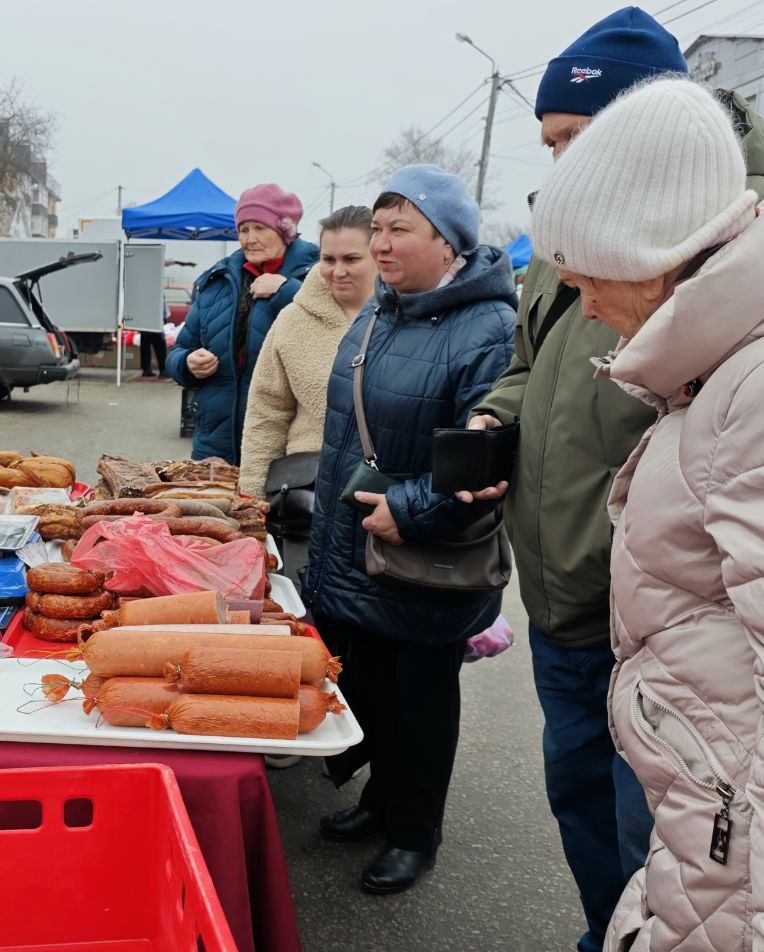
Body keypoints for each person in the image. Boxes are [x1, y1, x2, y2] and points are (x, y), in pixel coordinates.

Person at [462, 11, 764, 952]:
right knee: (589, 807)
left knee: (672, 841)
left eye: (576, 139)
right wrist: (495, 425)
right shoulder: (594, 250)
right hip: (571, 593)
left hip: (665, 629)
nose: (585, 305)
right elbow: (531, 367)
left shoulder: (741, 367)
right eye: (551, 143)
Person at [302, 165, 515, 894]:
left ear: (449, 242)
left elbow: (489, 459)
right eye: (378, 229)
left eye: (401, 229)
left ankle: (416, 832)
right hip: (357, 546)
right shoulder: (381, 311)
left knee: (422, 706)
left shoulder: (488, 329)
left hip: (422, 556)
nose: (381, 245)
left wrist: (411, 511)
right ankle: (380, 801)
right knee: (372, 691)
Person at [165, 183, 317, 464]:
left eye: (260, 228)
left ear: (284, 230)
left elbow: (331, 332)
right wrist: (187, 363)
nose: (250, 239)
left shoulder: (317, 275)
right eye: (244, 229)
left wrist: (285, 291)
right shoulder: (218, 281)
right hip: (214, 445)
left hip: (283, 447)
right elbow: (179, 351)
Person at [238, 205, 377, 497]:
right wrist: (253, 498)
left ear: (378, 255)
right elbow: (266, 414)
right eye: (328, 259)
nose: (338, 271)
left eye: (351, 259)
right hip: (307, 489)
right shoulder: (292, 320)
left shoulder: (406, 319)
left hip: (385, 492)